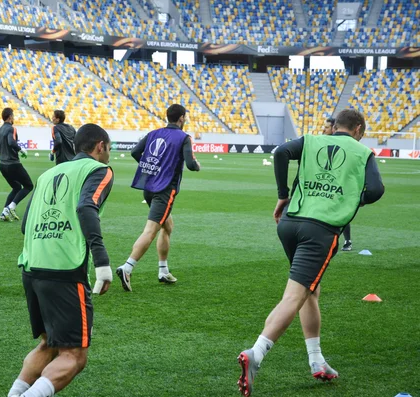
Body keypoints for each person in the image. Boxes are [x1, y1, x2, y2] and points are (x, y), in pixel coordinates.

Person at [236, 109, 384, 396]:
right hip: (320, 230)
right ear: (359, 129)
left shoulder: (312, 140)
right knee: (295, 295)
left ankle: (317, 361)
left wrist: (282, 195)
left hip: (289, 223)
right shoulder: (363, 152)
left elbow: (280, 153)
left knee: (309, 292)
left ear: (335, 126)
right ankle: (256, 354)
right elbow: (376, 190)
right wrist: (352, 199)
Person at [8, 124, 114, 397]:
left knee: (48, 345)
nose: (109, 154)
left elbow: (25, 226)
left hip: (32, 266)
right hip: (64, 268)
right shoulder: (99, 170)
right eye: (109, 149)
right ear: (100, 146)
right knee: (75, 355)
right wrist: (102, 263)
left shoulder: (48, 173)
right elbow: (86, 206)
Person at [116, 104, 200, 292]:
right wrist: (198, 166)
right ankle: (127, 267)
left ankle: (163, 270)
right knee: (151, 230)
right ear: (181, 118)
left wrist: (154, 167)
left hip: (149, 187)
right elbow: (190, 164)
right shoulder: (184, 137)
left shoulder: (154, 132)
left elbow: (135, 152)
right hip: (164, 190)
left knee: (167, 226)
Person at [0, 107, 32, 222]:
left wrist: (4, 150)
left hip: (2, 165)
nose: (13, 118)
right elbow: (11, 142)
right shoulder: (11, 129)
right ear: (10, 117)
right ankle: (11, 207)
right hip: (13, 164)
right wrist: (21, 150)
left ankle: (4, 212)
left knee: (16, 187)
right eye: (13, 116)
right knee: (29, 186)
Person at [325, 117, 353, 251]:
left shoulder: (345, 144)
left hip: (340, 183)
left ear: (334, 128)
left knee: (341, 212)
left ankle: (347, 240)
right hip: (325, 182)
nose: (323, 130)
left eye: (326, 127)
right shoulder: (322, 142)